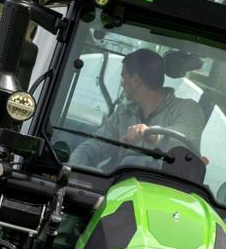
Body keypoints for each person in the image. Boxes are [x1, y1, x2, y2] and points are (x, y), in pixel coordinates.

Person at [72, 49, 205, 170]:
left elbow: (186, 140)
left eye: (124, 77)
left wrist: (153, 134)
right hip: (120, 186)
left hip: (164, 188)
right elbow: (94, 146)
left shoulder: (187, 109)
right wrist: (73, 170)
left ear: (135, 80)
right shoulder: (124, 112)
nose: (122, 83)